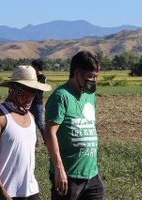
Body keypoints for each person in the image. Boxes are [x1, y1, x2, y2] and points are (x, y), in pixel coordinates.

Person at [0, 65, 52, 200]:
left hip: (30, 192)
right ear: (13, 89)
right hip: (2, 194)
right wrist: (1, 192)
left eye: (33, 91)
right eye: (25, 90)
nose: (30, 95)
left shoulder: (31, 117)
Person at [44, 50, 105, 200]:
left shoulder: (91, 96)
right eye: (90, 77)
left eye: (96, 77)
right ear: (77, 74)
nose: (93, 81)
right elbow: (50, 132)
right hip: (68, 175)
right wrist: (59, 169)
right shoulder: (61, 96)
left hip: (92, 173)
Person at [30, 59, 48, 146]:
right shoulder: (32, 77)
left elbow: (38, 88)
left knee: (40, 123)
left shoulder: (42, 78)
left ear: (36, 67)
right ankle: (36, 142)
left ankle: (47, 140)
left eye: (33, 66)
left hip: (37, 103)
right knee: (32, 124)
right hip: (30, 103)